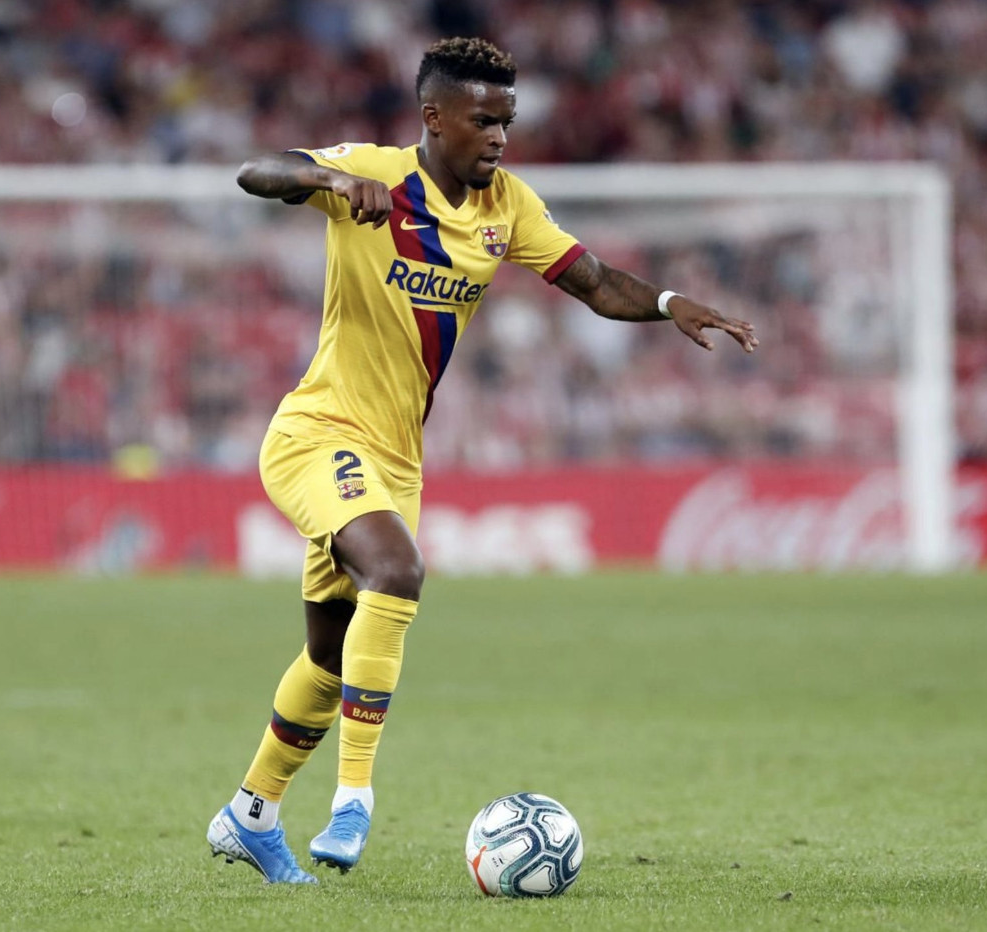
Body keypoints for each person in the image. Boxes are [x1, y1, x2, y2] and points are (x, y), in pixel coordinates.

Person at [206, 36, 758, 884]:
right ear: (434, 118)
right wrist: (325, 179)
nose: (499, 137)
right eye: (483, 120)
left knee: (328, 656)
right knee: (397, 571)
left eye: (508, 121)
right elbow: (256, 171)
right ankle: (354, 800)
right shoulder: (377, 172)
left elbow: (593, 280)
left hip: (396, 458)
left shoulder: (507, 207)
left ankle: (251, 813)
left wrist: (672, 303)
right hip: (317, 433)